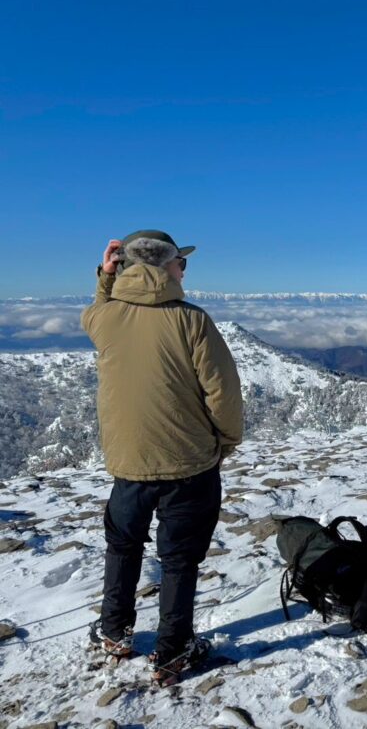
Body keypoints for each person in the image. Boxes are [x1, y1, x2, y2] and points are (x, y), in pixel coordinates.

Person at [81, 230, 243, 685]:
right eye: (181, 264)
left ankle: (114, 631)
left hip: (128, 463)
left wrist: (106, 277)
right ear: (165, 268)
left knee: (123, 544)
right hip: (190, 462)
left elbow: (97, 311)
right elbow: (223, 391)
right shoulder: (192, 321)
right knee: (179, 560)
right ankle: (173, 652)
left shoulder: (105, 318)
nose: (184, 271)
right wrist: (224, 442)